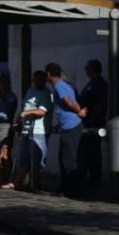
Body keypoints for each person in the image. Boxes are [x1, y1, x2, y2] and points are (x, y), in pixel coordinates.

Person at [46, 62, 86, 198]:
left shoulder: (58, 86)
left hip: (71, 127)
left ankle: (72, 189)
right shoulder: (66, 85)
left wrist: (79, 111)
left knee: (68, 159)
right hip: (68, 125)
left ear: (49, 74)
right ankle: (68, 187)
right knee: (65, 157)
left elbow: (68, 101)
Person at [7, 70, 53, 191]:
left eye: (38, 80)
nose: (36, 82)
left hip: (39, 130)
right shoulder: (30, 91)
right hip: (26, 129)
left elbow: (42, 111)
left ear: (43, 81)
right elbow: (24, 108)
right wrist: (18, 121)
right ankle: (16, 183)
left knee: (37, 160)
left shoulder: (46, 94)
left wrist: (27, 113)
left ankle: (35, 184)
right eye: (34, 80)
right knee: (24, 158)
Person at [78, 59, 108, 189]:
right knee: (87, 153)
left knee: (93, 153)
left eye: (87, 67)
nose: (85, 70)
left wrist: (93, 118)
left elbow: (98, 105)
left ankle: (94, 181)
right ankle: (88, 180)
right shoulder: (92, 83)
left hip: (93, 124)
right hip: (86, 123)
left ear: (92, 69)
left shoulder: (100, 84)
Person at [0, 72, 18, 187]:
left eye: (5, 82)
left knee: (5, 153)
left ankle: (7, 178)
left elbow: (8, 112)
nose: (3, 85)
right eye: (1, 82)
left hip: (5, 126)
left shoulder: (10, 97)